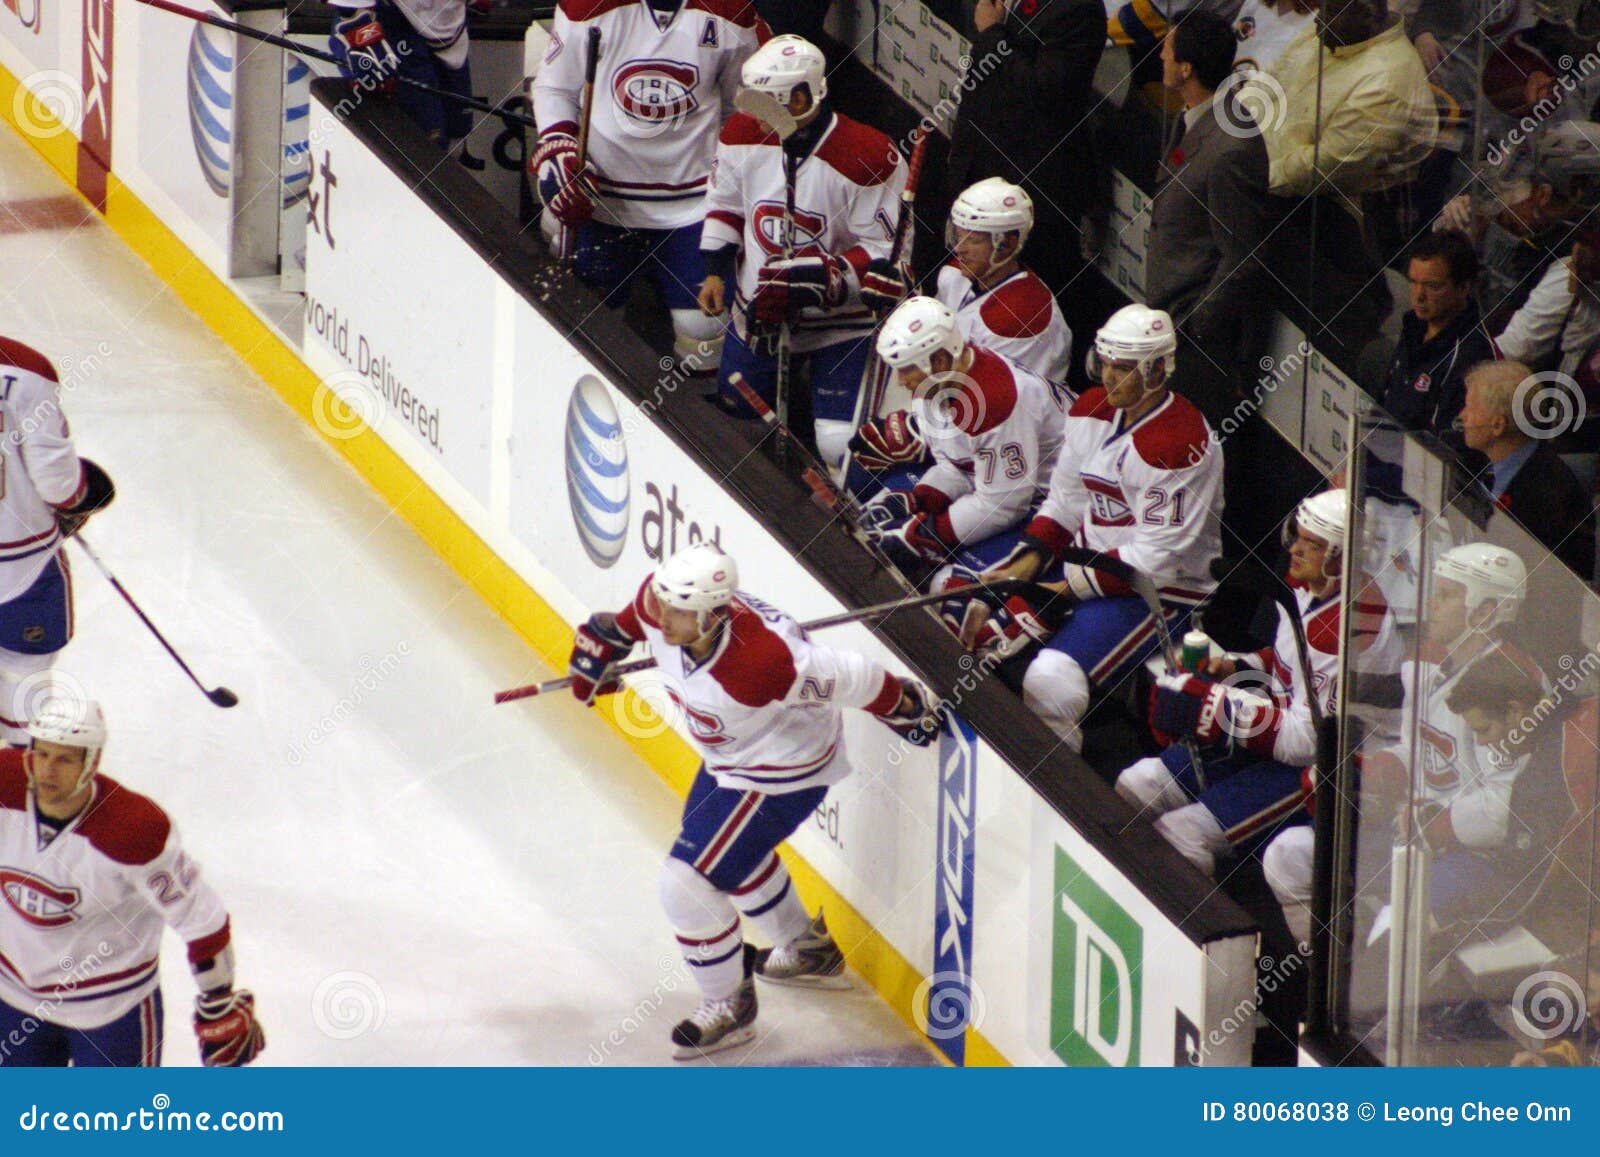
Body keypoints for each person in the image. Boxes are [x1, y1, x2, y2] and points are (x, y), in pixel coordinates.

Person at [565, 543, 939, 1058]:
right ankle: (806, 949)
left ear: (716, 614)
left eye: (679, 611)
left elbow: (852, 676)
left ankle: (730, 1005)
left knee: (686, 884)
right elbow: (625, 626)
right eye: (661, 602)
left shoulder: (763, 663)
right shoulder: (661, 602)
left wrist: (903, 704)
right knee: (726, 858)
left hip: (779, 772)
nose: (662, 617)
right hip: (729, 758)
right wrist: (601, 644)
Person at [1118, 491, 1398, 908]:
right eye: (1298, 537)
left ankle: (1205, 943)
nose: (1296, 550)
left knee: (1182, 836)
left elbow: (1310, 739)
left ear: (1343, 557)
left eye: (1313, 544)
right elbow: (1289, 664)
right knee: (1137, 784)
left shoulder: (1349, 628)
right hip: (1283, 729)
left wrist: (1214, 707)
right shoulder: (1308, 589)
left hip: (1332, 763)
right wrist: (1235, 667)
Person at [1262, 542, 1540, 944]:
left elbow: (1504, 808)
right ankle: (1330, 971)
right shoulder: (1429, 663)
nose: (1431, 604)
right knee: (1288, 857)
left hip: (1480, 861)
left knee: (1393, 935)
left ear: (1485, 612)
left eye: (1446, 595)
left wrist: (1430, 825)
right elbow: (1418, 750)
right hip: (1416, 838)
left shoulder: (1511, 686)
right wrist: (1365, 773)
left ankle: (1360, 990)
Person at [977, 304, 1224, 751]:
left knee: (1051, 682)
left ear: (1156, 370)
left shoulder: (1179, 443)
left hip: (1161, 592)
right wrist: (1025, 564)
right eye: (1106, 362)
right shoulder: (1091, 410)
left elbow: (1156, 562)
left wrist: (1060, 593)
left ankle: (1049, 789)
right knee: (982, 628)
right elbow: (1067, 500)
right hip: (1087, 567)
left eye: (1124, 368)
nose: (1109, 376)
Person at [0, 699, 264, 1067]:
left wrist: (217, 999)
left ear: (91, 762)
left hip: (110, 1006)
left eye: (64, 759)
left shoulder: (132, 831)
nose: (47, 770)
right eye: (41, 754)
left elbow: (200, 917)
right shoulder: (4, 790)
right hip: (12, 997)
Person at [698, 34, 909, 465]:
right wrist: (717, 270)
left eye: (765, 105)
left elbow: (888, 256)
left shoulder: (869, 155)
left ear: (799, 99)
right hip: (758, 312)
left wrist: (815, 280)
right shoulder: (741, 133)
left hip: (842, 325)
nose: (754, 118)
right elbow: (725, 205)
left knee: (838, 446)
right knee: (736, 422)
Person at [531, 0, 771, 376]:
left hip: (693, 205)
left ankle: (698, 426)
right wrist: (559, 151)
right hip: (602, 201)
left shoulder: (730, 11)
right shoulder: (587, 7)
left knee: (704, 334)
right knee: (591, 330)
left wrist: (737, 178)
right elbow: (555, 87)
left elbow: (741, 108)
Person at [854, 296, 1066, 579]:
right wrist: (921, 499)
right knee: (871, 518)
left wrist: (930, 534)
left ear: (939, 359)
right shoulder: (941, 380)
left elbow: (1004, 506)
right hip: (1006, 490)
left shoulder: (994, 401)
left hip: (1052, 502)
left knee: (948, 587)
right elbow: (958, 465)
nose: (900, 382)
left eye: (906, 369)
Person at [1145, 12, 1273, 430]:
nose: (1160, 54)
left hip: (1200, 345)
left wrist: (1194, 327)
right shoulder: (1191, 116)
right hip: (1170, 323)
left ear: (1186, 68)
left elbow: (1242, 256)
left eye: (1168, 48)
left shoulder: (1230, 149)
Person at [944, 0, 1106, 311]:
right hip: (979, 165)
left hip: (1032, 186)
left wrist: (992, 34)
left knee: (1022, 305)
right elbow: (980, 85)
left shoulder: (1078, 10)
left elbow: (1043, 90)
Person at [0, 338, 114, 746]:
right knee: (22, 678)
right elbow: (59, 486)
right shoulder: (27, 371)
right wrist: (82, 497)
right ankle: (17, 764)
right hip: (21, 564)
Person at [1452, 359, 1595, 578]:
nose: (1462, 415)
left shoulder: (1544, 496)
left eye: (1469, 407)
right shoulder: (1488, 464)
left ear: (1497, 425)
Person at [932, 178, 1073, 386]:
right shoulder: (956, 275)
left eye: (973, 240)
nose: (959, 249)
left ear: (1006, 245)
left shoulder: (1023, 315)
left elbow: (990, 401)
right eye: (958, 236)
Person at [1379, 231, 1500, 439]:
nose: (1419, 296)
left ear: (1463, 288)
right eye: (1414, 282)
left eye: (1433, 286)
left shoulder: (1473, 357)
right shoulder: (1413, 326)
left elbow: (1449, 449)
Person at [329, 0, 485, 156]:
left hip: (448, 27)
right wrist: (355, 24)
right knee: (423, 146)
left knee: (456, 135)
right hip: (393, 23)